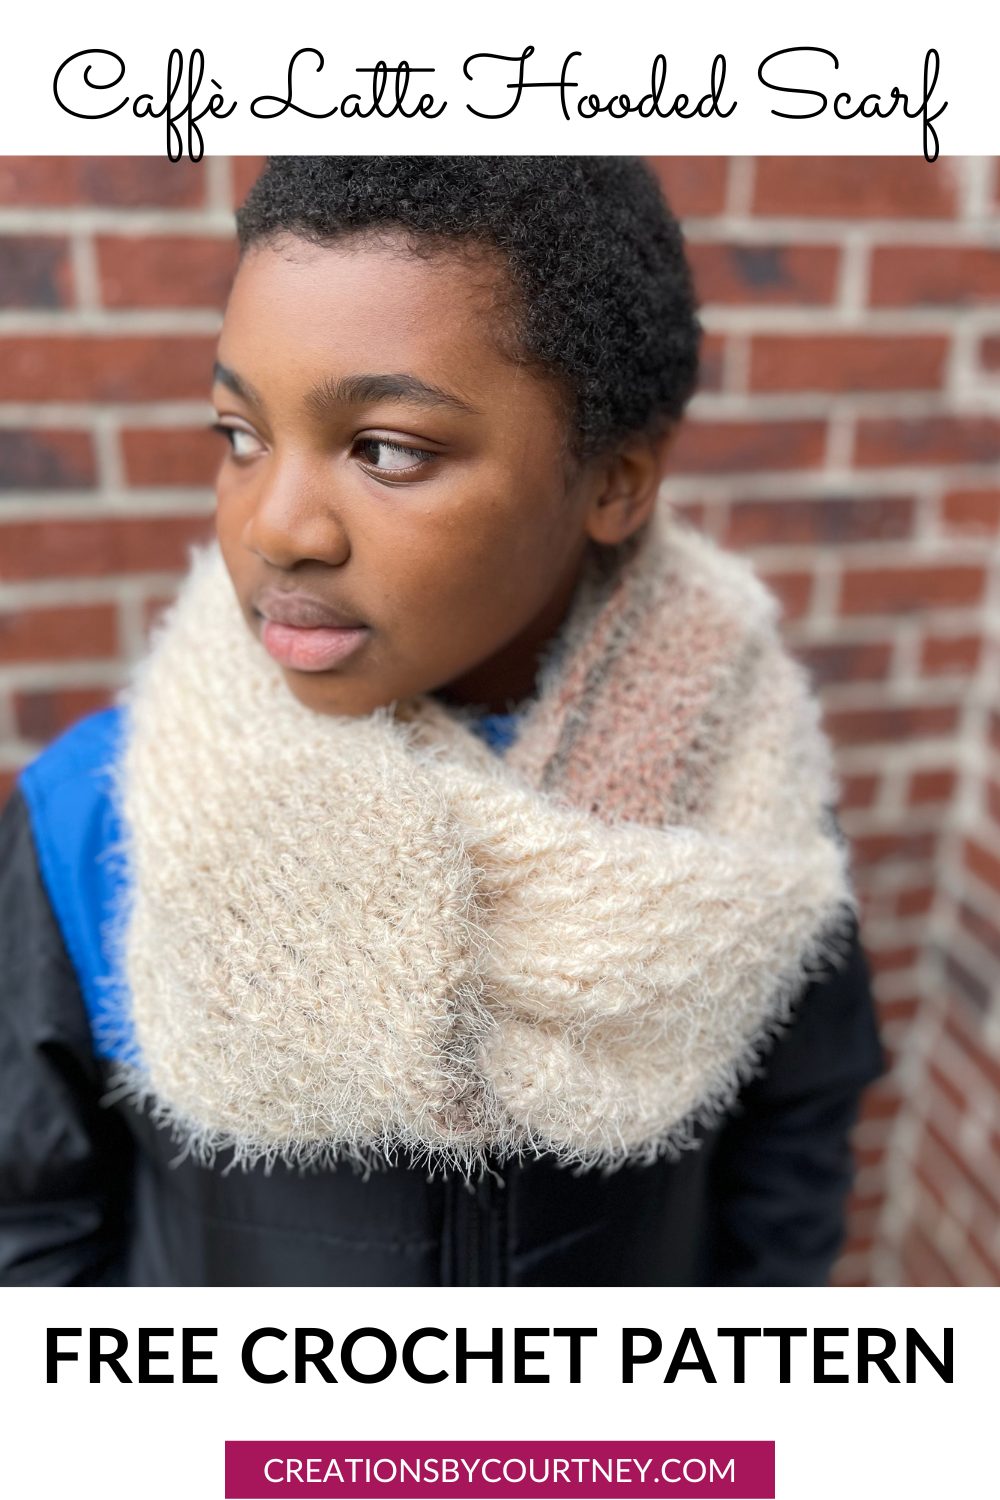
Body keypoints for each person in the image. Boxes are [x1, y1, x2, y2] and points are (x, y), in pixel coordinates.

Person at [0, 157, 883, 1287]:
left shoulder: (744, 789)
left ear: (615, 480)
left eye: (386, 450)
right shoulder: (95, 819)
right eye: (239, 434)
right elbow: (33, 1226)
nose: (276, 528)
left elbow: (791, 1143)